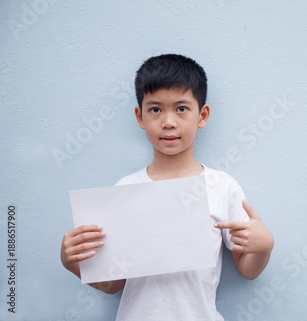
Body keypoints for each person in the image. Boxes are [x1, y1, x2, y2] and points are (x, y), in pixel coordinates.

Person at [60, 54, 274, 320]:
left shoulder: (222, 186)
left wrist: (264, 246)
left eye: (181, 108)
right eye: (155, 109)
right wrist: (75, 265)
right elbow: (113, 285)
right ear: (140, 117)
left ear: (202, 115)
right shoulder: (125, 190)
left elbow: (247, 270)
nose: (169, 122)